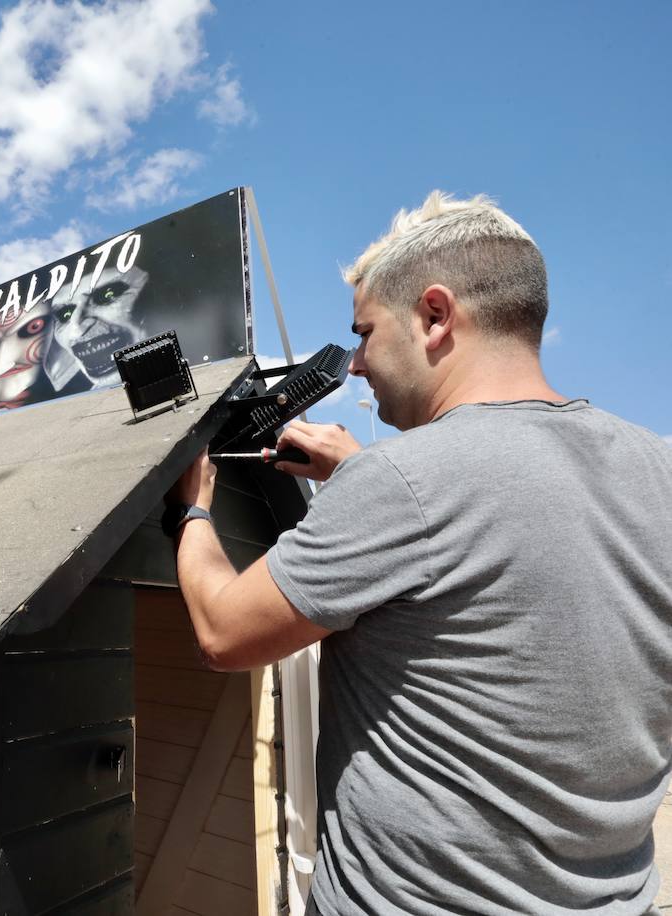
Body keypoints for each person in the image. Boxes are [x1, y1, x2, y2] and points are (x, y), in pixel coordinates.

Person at [167, 191, 672, 914]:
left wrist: (193, 506)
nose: (358, 366)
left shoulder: (406, 480)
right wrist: (357, 478)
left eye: (365, 333)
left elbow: (221, 631)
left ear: (435, 317)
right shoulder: (656, 467)